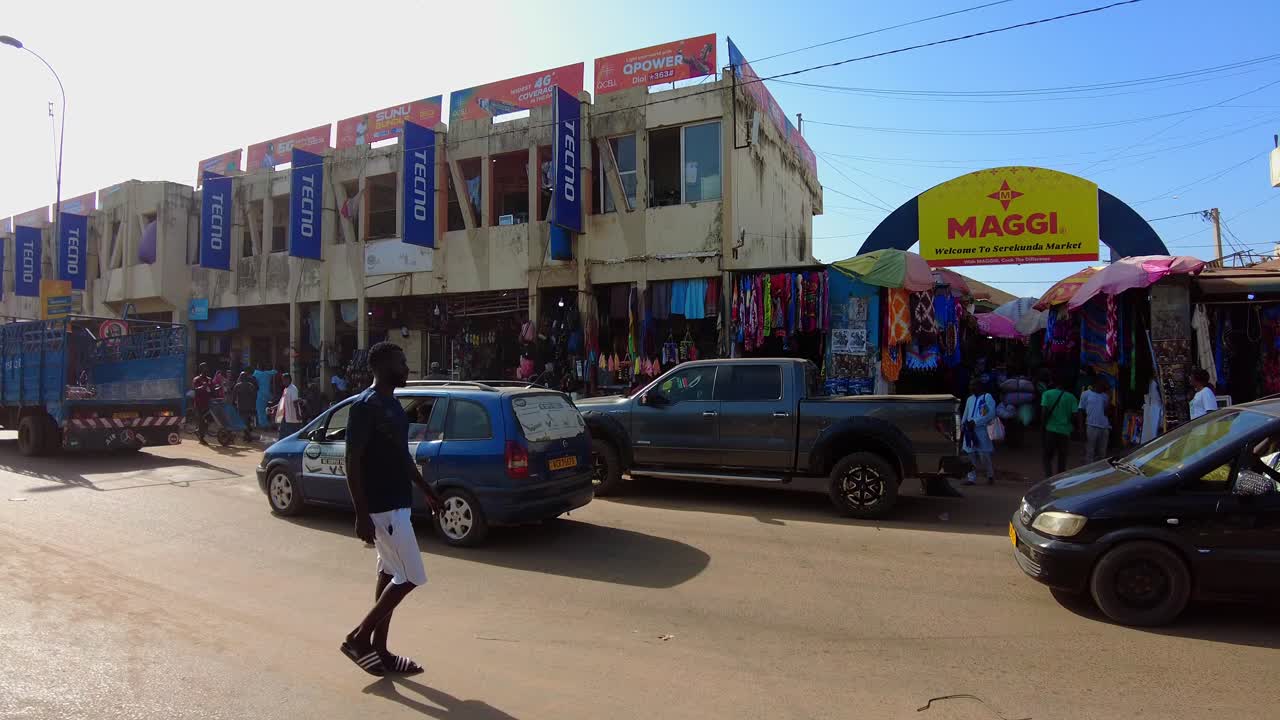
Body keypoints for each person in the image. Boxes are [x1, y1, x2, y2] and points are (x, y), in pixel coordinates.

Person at [340, 341, 443, 677]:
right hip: (382, 508)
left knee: (387, 575)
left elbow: (402, 456)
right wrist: (361, 513)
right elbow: (351, 462)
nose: (406, 367)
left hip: (398, 503)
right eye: (401, 362)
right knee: (411, 576)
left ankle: (381, 652)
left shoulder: (394, 407)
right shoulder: (365, 407)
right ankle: (358, 638)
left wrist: (426, 490)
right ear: (384, 366)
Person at [1041, 374, 1079, 478]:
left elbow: (1044, 411)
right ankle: (1059, 479)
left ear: (1054, 382)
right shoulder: (1072, 397)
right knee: (1062, 458)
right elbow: (1075, 416)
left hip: (1050, 429)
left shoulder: (1047, 394)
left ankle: (1048, 478)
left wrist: (1043, 425)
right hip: (1065, 431)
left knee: (1047, 456)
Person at [960, 379, 996, 485]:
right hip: (969, 430)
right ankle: (971, 478)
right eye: (970, 385)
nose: (971, 387)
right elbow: (966, 413)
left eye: (974, 385)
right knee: (970, 454)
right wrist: (962, 426)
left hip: (981, 430)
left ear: (980, 386)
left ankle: (990, 475)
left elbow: (991, 414)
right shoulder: (969, 399)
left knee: (983, 454)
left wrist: (976, 422)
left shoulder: (987, 397)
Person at [1079, 376, 1112, 464]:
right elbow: (1081, 410)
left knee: (1102, 453)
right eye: (1103, 384)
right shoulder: (1086, 394)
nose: (1104, 386)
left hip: (1104, 426)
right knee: (1090, 451)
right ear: (1096, 384)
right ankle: (1088, 472)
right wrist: (1081, 427)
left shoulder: (1105, 396)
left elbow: (1106, 412)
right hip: (1091, 425)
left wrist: (1110, 397)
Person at [275, 374, 304, 439]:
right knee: (283, 435)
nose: (284, 381)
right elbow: (282, 402)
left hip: (292, 417)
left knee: (293, 435)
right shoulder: (286, 389)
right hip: (286, 416)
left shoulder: (293, 388)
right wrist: (274, 407)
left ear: (290, 380)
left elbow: (295, 402)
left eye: (285, 380)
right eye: (283, 380)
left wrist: (297, 414)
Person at [233, 371, 258, 441]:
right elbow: (255, 396)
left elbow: (234, 397)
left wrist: (233, 404)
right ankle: (247, 435)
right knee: (247, 421)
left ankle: (247, 435)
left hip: (241, 407)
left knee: (244, 421)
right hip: (250, 407)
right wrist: (253, 405)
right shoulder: (251, 385)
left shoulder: (238, 386)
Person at [191, 363, 212, 445]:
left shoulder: (209, 379)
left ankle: (198, 432)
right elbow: (195, 389)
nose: (206, 369)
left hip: (207, 403)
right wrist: (202, 387)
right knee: (201, 421)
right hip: (199, 404)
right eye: (204, 368)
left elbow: (212, 389)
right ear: (201, 369)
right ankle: (201, 438)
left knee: (207, 421)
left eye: (206, 368)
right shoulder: (197, 379)